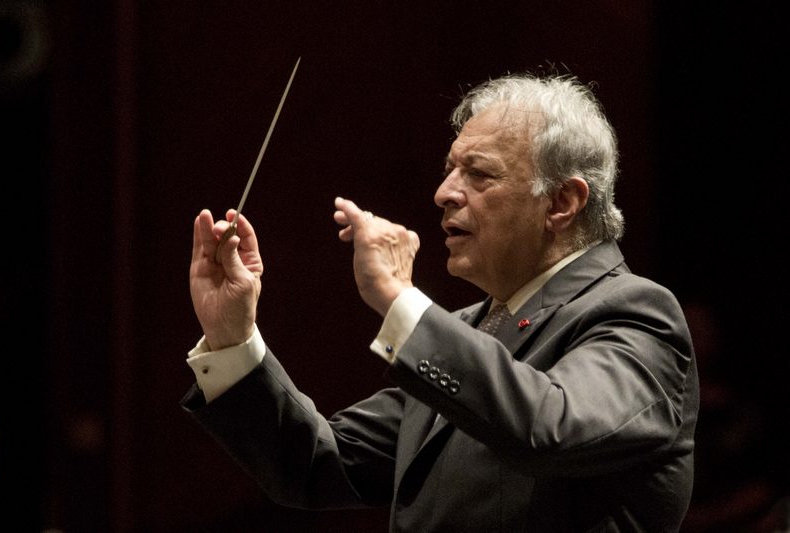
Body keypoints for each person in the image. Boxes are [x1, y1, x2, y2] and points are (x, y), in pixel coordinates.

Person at [181, 73, 699, 532]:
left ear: (562, 203)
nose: (443, 192)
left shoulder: (636, 314)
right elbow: (316, 465)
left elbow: (552, 427)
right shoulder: (468, 330)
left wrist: (398, 297)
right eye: (451, 169)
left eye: (479, 174)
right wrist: (232, 335)